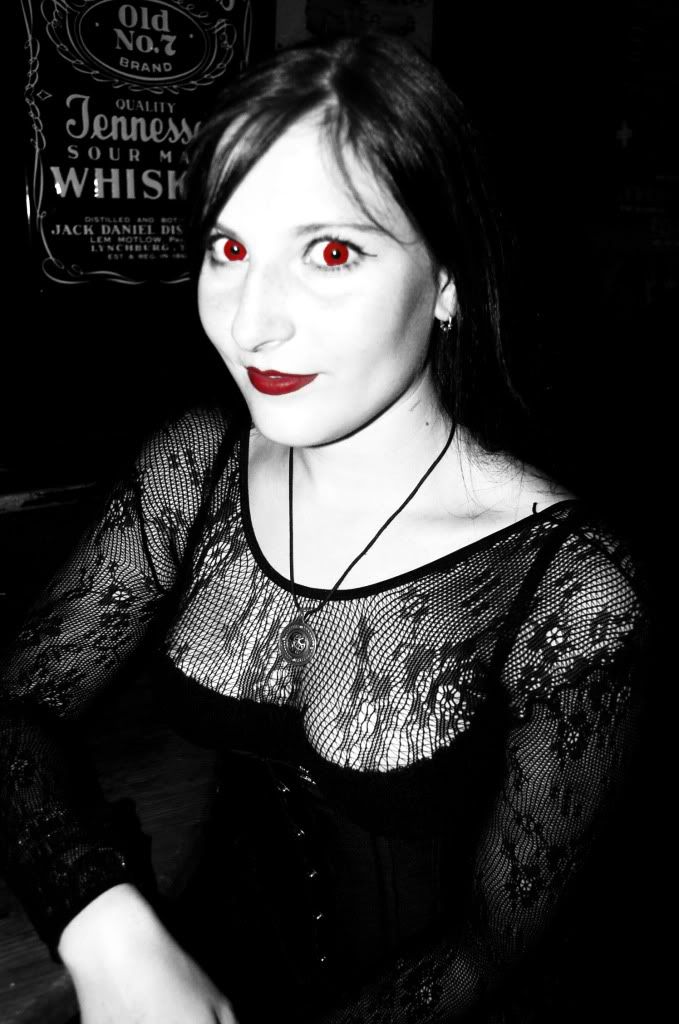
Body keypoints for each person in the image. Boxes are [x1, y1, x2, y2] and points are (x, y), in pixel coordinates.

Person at [0, 34, 647, 1024]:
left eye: (332, 252)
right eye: (228, 248)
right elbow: (15, 707)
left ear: (448, 278)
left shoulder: (572, 590)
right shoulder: (196, 466)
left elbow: (489, 951)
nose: (250, 321)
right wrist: (107, 927)